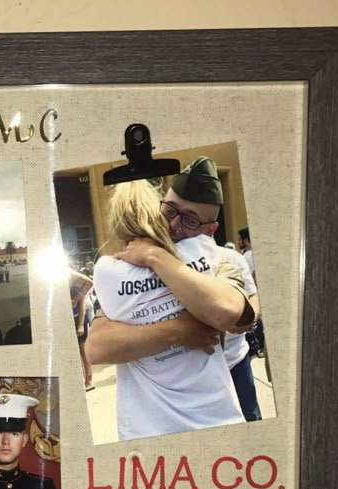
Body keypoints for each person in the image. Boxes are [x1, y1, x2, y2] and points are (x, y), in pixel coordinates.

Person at [87, 156, 263, 421]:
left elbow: (237, 315)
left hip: (233, 367)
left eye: (190, 220)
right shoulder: (130, 263)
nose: (173, 225)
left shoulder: (224, 258)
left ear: (210, 228)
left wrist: (156, 258)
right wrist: (179, 329)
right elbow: (98, 343)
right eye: (169, 210)